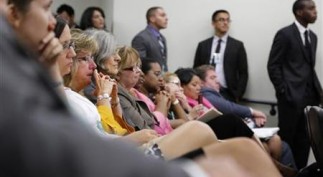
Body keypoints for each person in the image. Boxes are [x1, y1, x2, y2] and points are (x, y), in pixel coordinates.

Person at [0, 1, 283, 177]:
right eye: (46, 7)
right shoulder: (91, 91)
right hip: (126, 150)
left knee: (242, 147)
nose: (50, 20)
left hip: (126, 144)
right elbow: (99, 136)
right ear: (12, 11)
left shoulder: (66, 90)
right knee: (210, 135)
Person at [267, 0, 322, 169]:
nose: (315, 11)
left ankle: (301, 173)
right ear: (299, 12)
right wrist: (283, 91)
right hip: (290, 99)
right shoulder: (284, 34)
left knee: (306, 142)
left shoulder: (313, 36)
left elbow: (308, 68)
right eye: (311, 8)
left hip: (309, 97)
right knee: (287, 141)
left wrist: (319, 92)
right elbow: (273, 65)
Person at [193, 9, 248, 102]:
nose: (225, 23)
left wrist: (238, 94)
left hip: (229, 93)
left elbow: (243, 73)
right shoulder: (203, 45)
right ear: (213, 23)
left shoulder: (237, 45)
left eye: (228, 20)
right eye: (221, 20)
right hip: (206, 91)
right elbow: (196, 69)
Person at [132, 6, 168, 72]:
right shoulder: (141, 38)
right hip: (148, 79)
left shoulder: (162, 38)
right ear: (152, 18)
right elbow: (140, 63)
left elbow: (163, 62)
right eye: (162, 15)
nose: (166, 18)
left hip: (161, 77)